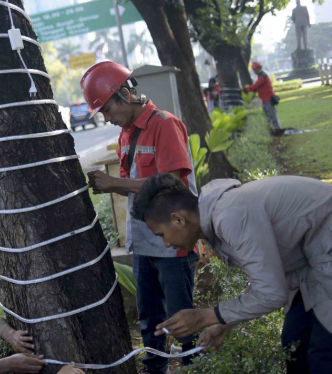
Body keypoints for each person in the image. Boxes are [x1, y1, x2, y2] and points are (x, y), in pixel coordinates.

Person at [130, 173, 332, 374]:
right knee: (295, 345)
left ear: (178, 219)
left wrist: (206, 317)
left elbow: (271, 293)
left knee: (322, 356)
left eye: (162, 235)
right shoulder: (216, 218)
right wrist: (224, 321)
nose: (166, 243)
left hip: (323, 250)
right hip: (312, 261)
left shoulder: (230, 217)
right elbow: (265, 278)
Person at [81, 61, 199, 374]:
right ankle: (155, 368)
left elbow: (171, 182)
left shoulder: (164, 124)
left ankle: (195, 366)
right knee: (150, 317)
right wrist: (109, 185)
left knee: (182, 315)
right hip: (145, 243)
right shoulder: (125, 135)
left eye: (106, 110)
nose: (107, 118)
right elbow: (132, 188)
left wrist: (114, 183)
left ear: (123, 95)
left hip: (174, 243)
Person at [243, 61, 282, 135]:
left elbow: (256, 85)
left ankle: (278, 130)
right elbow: (256, 87)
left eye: (255, 70)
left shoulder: (262, 76)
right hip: (265, 98)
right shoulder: (261, 76)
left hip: (268, 98)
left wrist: (247, 89)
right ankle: (273, 130)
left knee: (272, 115)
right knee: (267, 115)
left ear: (258, 68)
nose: (254, 71)